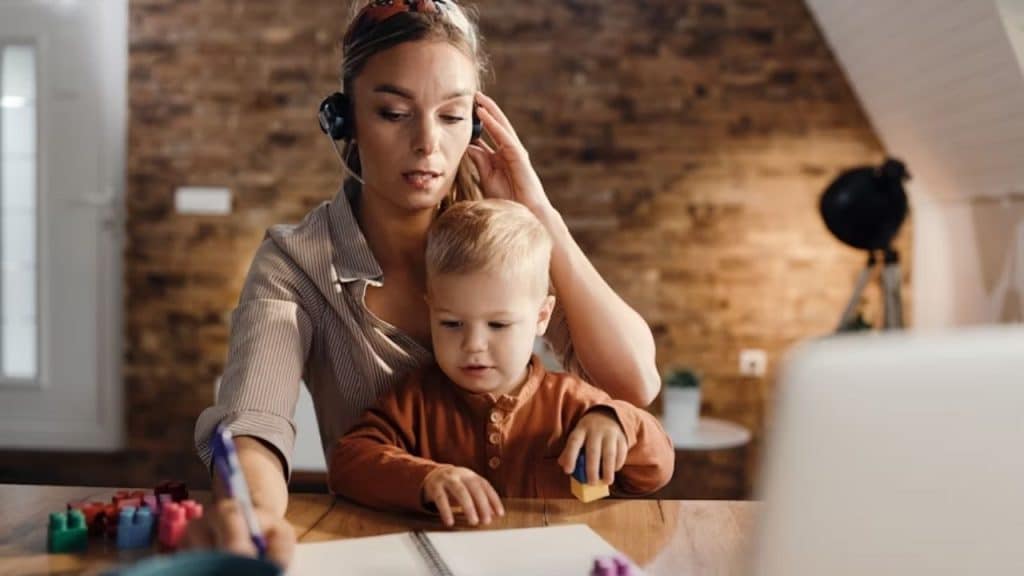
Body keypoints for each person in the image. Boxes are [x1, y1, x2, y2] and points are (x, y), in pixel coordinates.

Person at [186, 0, 661, 568]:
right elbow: (254, 420)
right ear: (345, 122)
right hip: (373, 550)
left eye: (452, 115)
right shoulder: (296, 261)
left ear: (476, 124)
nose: (427, 144)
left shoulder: (506, 241)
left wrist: (540, 211)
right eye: (393, 113)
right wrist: (256, 513)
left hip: (527, 549)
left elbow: (632, 384)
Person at [330, 199, 674, 526]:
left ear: (542, 317)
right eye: (451, 323)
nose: (474, 345)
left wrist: (618, 422)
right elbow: (348, 461)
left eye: (498, 325)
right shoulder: (414, 401)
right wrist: (428, 478)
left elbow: (657, 469)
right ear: (430, 310)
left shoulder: (574, 405)